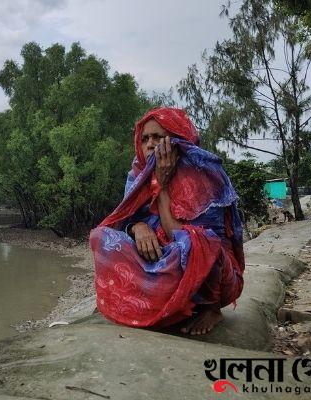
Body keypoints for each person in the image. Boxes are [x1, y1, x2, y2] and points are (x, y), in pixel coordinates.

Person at [90, 107, 245, 335]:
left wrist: (161, 185)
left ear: (177, 139)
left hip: (209, 272)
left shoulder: (203, 174)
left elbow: (187, 238)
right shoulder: (137, 174)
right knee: (101, 237)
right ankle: (149, 305)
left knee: (196, 242)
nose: (150, 144)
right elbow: (124, 221)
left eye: (158, 137)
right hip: (160, 255)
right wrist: (138, 227)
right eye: (144, 139)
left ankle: (211, 310)